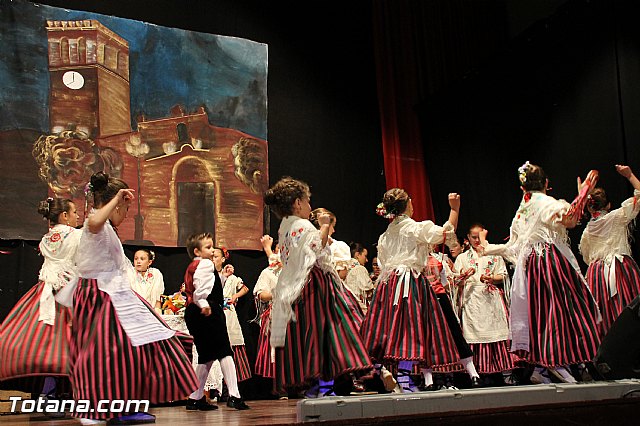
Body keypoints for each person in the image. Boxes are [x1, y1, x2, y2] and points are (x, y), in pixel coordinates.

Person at [66, 172, 198, 424]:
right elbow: (93, 221)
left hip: (112, 294)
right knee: (102, 352)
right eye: (124, 207)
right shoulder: (96, 225)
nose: (125, 213)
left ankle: (122, 405)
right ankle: (95, 409)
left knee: (132, 349)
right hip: (99, 296)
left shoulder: (109, 230)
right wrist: (115, 200)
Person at [479, 162, 601, 384]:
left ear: (522, 188)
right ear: (546, 183)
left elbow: (514, 245)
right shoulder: (544, 202)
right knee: (568, 308)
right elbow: (570, 219)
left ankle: (555, 364)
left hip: (531, 266)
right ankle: (564, 362)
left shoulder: (523, 208)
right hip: (549, 261)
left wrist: (488, 247)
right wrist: (583, 192)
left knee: (542, 312)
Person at [264, 177, 372, 398]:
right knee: (329, 329)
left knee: (309, 332)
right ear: (297, 203)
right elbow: (316, 246)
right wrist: (323, 225)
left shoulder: (285, 226)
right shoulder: (302, 224)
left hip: (294, 283)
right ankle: (329, 382)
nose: (310, 206)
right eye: (307, 201)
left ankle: (319, 384)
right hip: (313, 281)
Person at [360, 188, 463, 392]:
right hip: (409, 282)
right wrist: (455, 209)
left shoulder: (385, 235)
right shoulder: (414, 228)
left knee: (385, 329)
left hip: (388, 283)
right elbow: (445, 233)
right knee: (409, 330)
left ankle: (381, 369)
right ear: (407, 205)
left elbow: (382, 261)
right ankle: (404, 378)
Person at [0, 198, 80, 399]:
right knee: (68, 342)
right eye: (74, 212)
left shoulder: (46, 238)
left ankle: (50, 392)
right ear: (64, 216)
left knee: (46, 342)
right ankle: (59, 392)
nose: (78, 216)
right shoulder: (76, 235)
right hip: (67, 291)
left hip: (44, 291)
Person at [183, 233, 250, 411]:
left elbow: (208, 284)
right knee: (224, 351)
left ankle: (195, 397)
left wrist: (223, 277)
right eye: (208, 247)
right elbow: (200, 288)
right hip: (206, 310)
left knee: (207, 355)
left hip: (195, 310)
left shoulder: (197, 265)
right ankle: (235, 396)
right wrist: (204, 304)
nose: (212, 250)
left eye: (212, 247)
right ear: (197, 251)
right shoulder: (204, 263)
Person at [579, 164, 640, 336]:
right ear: (608, 205)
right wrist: (629, 175)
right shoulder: (616, 217)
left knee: (605, 317)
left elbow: (587, 258)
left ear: (589, 208)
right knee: (629, 310)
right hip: (620, 269)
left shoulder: (586, 233)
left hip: (597, 274)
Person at [454, 223, 514, 384]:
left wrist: (491, 278)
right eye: (473, 237)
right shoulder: (462, 258)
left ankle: (506, 374)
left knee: (498, 334)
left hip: (490, 299)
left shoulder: (494, 255)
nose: (476, 240)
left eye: (479, 236)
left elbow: (503, 275)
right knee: (474, 335)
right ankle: (477, 374)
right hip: (472, 299)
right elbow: (456, 281)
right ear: (467, 238)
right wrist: (465, 276)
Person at [252, 235, 285, 396]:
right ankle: (279, 387)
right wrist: (275, 293)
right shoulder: (267, 272)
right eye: (278, 250)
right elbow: (261, 294)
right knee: (277, 352)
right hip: (276, 314)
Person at [131, 248, 165, 314]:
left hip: (151, 312)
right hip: (133, 312)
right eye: (136, 259)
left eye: (142, 259)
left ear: (149, 262)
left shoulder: (156, 273)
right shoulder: (129, 273)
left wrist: (158, 314)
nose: (138, 261)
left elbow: (158, 299)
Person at [345, 242, 375, 313]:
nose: (367, 260)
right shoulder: (359, 269)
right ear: (357, 255)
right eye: (365, 256)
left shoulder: (345, 268)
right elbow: (369, 292)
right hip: (359, 310)